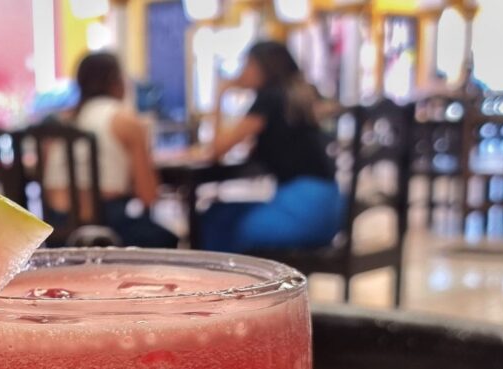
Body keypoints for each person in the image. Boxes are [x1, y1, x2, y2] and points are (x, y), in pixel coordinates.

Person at [200, 41, 343, 252]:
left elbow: (217, 149)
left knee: (218, 220)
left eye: (246, 64)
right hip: (331, 209)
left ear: (262, 68)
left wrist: (220, 94)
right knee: (222, 214)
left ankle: (220, 284)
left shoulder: (269, 98)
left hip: (302, 211)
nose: (241, 72)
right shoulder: (296, 96)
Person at [44, 52, 177, 248]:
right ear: (118, 82)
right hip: (107, 230)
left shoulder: (61, 122)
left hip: (58, 232)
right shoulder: (125, 121)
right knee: (165, 238)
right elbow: (148, 196)